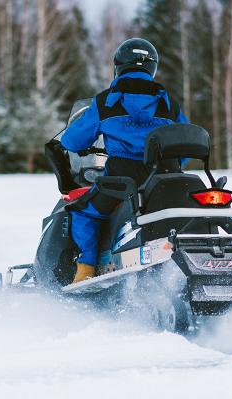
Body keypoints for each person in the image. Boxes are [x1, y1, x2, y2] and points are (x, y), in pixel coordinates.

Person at [61, 38, 189, 284]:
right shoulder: (168, 102)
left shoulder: (105, 101)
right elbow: (184, 142)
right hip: (165, 179)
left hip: (121, 181)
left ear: (118, 66)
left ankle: (85, 269)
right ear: (152, 67)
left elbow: (73, 141)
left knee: (83, 212)